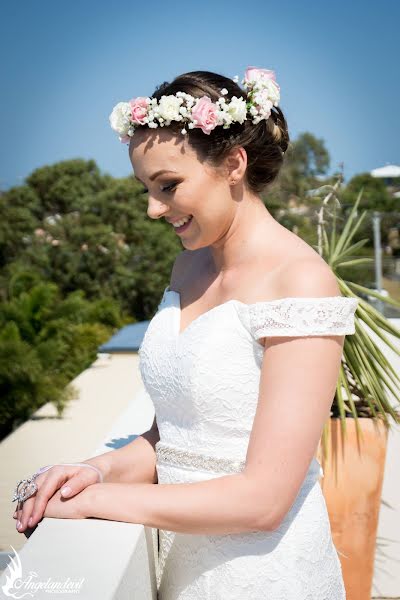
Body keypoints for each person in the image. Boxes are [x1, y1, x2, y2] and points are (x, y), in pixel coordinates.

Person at [13, 67, 358, 599]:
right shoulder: (188, 269)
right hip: (183, 568)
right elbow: (170, 438)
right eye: (146, 189)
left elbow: (264, 501)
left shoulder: (301, 281)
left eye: (168, 186)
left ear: (234, 164)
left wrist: (96, 503)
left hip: (266, 575)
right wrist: (90, 471)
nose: (153, 209)